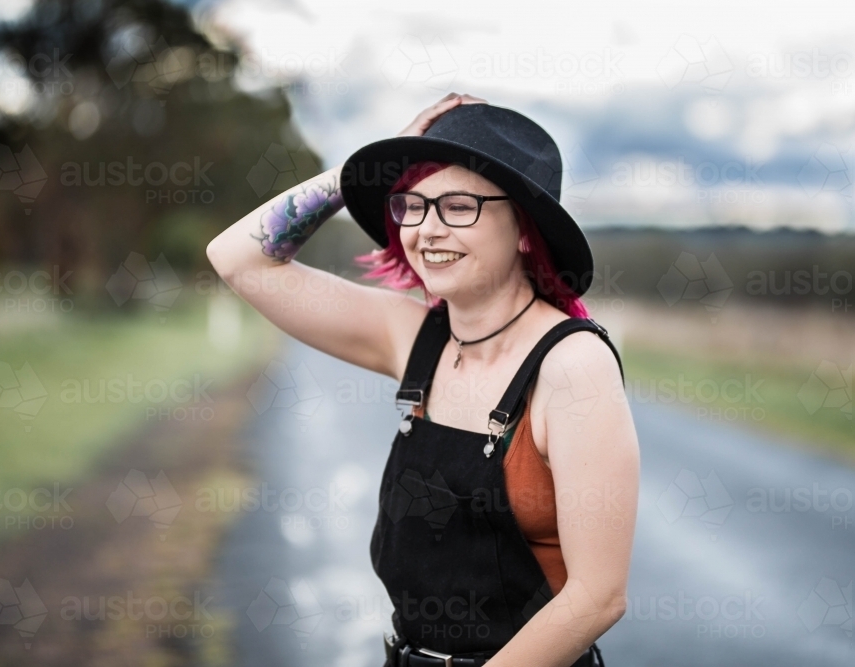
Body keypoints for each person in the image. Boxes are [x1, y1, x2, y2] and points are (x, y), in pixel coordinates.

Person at [207, 93, 640, 667]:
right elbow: (239, 257)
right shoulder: (414, 336)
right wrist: (358, 170)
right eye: (412, 204)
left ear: (523, 230)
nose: (426, 230)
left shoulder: (571, 365)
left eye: (458, 206)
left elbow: (597, 598)